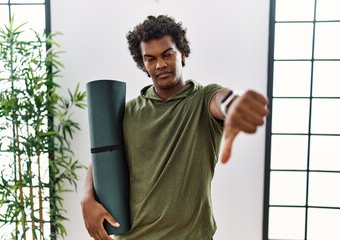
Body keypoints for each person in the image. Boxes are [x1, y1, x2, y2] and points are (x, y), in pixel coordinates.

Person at [81, 15, 268, 240]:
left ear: (182, 53)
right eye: (150, 59)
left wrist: (235, 103)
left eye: (167, 54)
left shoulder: (203, 99)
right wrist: (86, 197)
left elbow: (224, 100)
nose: (160, 64)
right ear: (143, 64)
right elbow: (102, 158)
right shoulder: (127, 112)